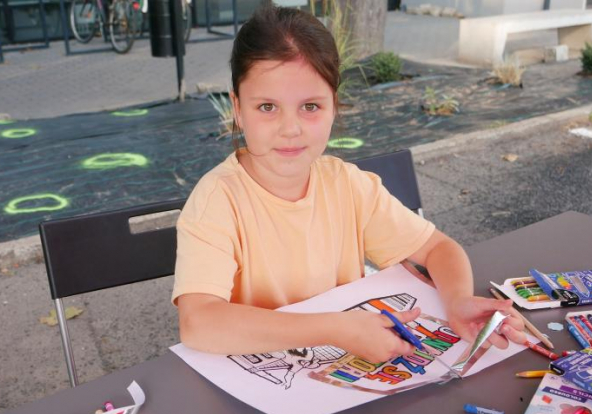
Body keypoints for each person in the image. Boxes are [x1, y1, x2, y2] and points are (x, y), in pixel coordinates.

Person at [173, 2, 525, 364]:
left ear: (334, 107)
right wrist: (336, 328)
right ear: (237, 109)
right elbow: (199, 322)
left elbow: (439, 249)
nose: (290, 128)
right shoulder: (217, 200)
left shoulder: (346, 184)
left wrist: (458, 301)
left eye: (310, 106)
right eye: (267, 107)